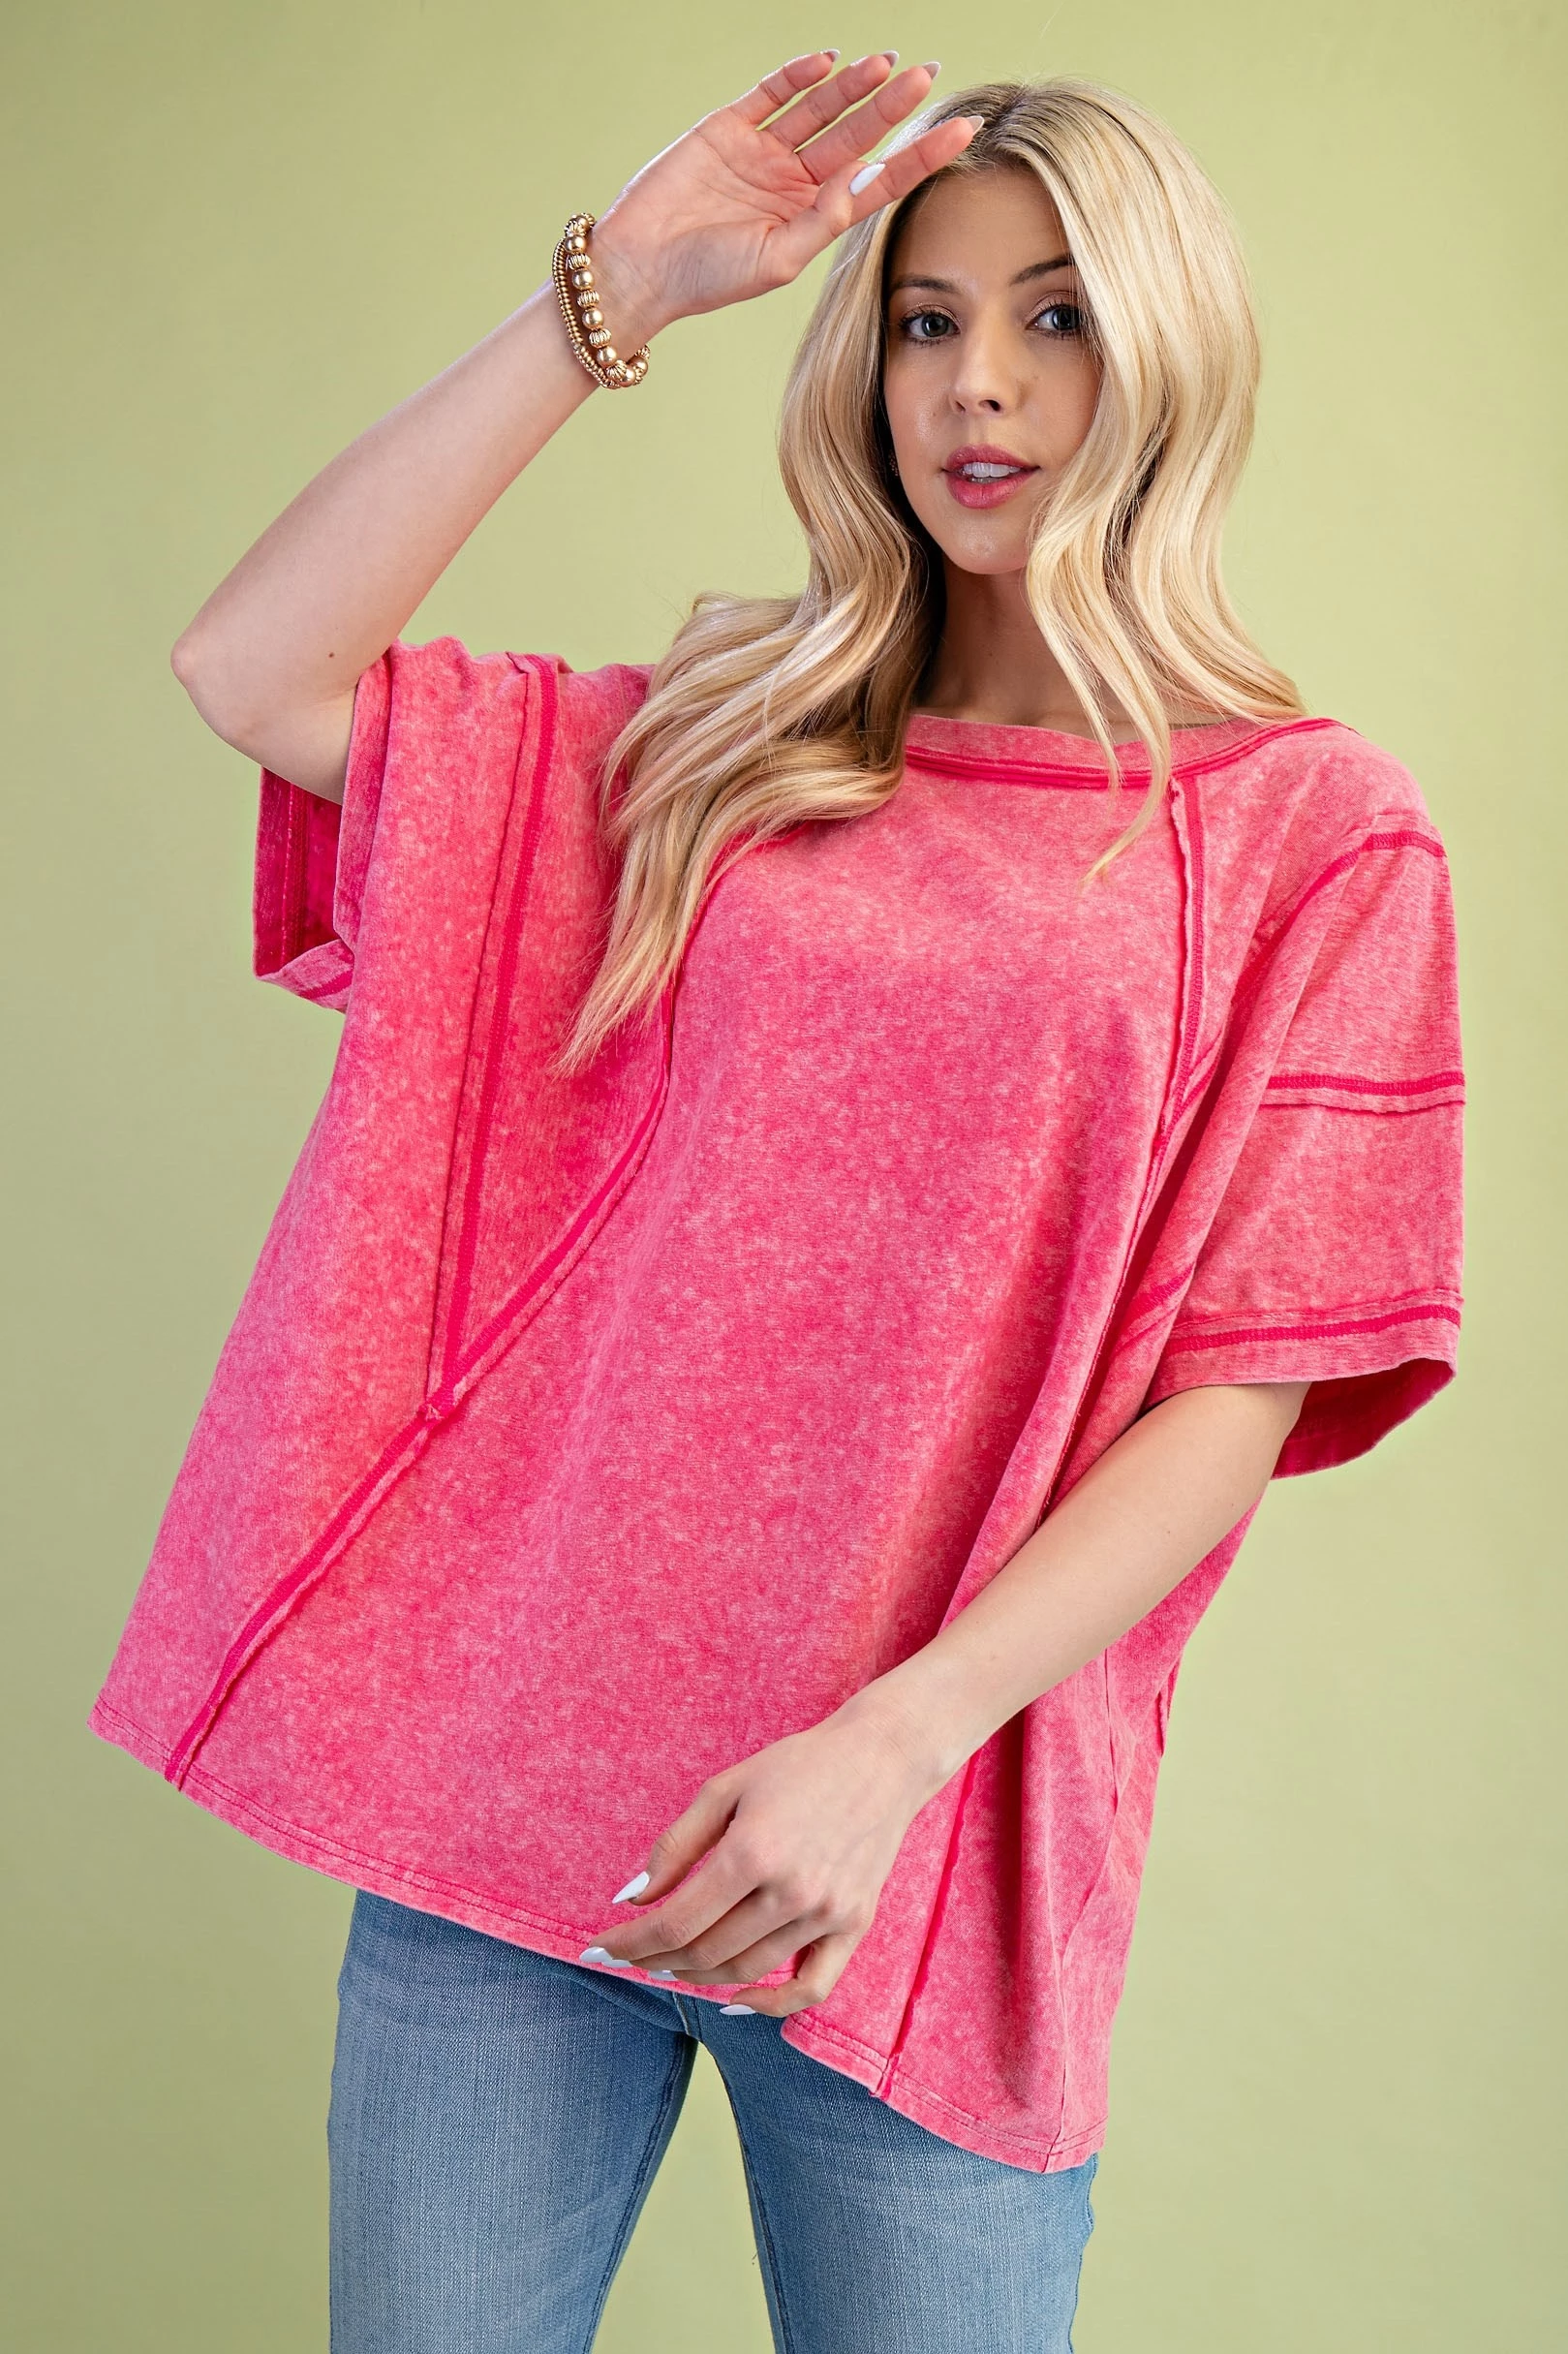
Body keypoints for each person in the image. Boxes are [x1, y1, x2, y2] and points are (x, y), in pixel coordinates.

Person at [90, 50, 1464, 2354]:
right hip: (508, 1818)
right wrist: (613, 288)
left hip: (916, 1852)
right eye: (923, 320)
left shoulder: (1308, 835)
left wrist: (890, 1745)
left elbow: (1237, 1392)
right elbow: (254, 666)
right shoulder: (723, 745)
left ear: (1167, 349)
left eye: (1052, 316)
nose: (976, 384)